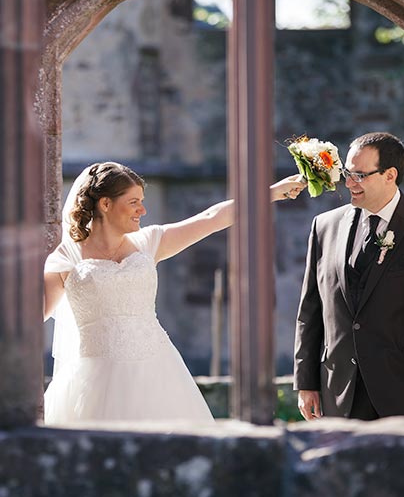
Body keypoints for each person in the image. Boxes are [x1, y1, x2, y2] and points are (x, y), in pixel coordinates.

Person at [43, 161, 306, 424]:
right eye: (134, 202)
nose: (142, 210)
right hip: (93, 381)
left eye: (142, 201)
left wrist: (271, 192)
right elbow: (34, 314)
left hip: (158, 372)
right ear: (105, 204)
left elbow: (211, 218)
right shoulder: (66, 257)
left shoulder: (150, 242)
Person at [294, 132, 404, 420]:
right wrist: (306, 383)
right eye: (347, 172)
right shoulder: (324, 226)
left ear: (389, 175)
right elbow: (310, 310)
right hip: (339, 391)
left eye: (359, 175)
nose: (348, 183)